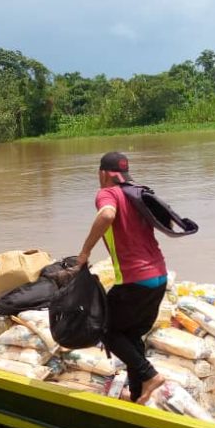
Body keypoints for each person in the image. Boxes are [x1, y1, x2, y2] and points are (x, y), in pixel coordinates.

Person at [75, 152, 167, 404]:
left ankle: (150, 375)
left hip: (135, 279)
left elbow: (106, 215)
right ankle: (139, 394)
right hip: (159, 276)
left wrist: (84, 253)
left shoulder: (108, 193)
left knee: (105, 328)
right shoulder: (137, 192)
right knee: (130, 334)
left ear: (104, 173)